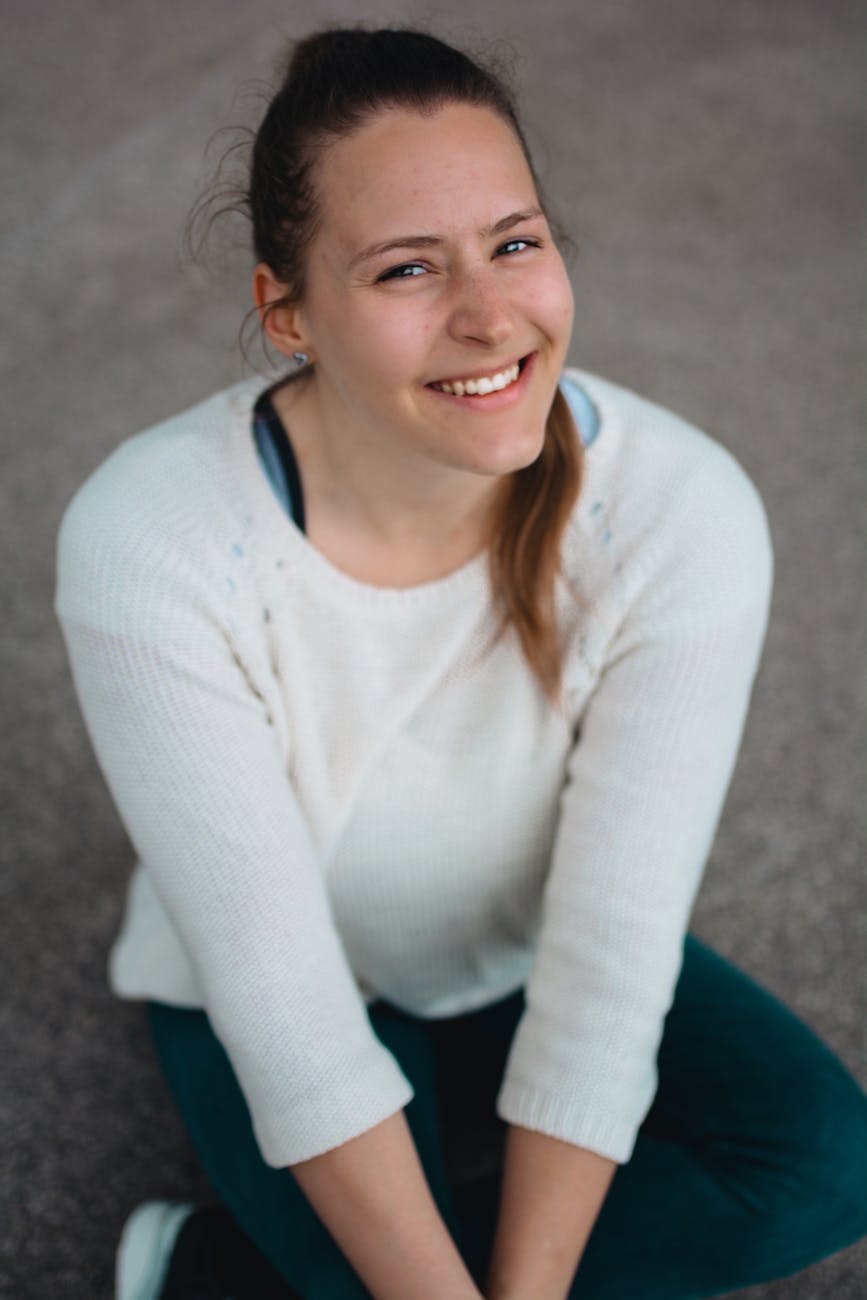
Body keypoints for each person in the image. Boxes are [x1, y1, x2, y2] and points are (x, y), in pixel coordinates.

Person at [53, 24, 867, 1300]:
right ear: (286, 310)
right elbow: (292, 1024)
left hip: (520, 944)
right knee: (388, 1250)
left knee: (823, 1163)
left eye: (516, 243)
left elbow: (610, 963)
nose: (490, 318)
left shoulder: (681, 510)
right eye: (405, 269)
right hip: (287, 973)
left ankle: (215, 1271)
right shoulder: (153, 538)